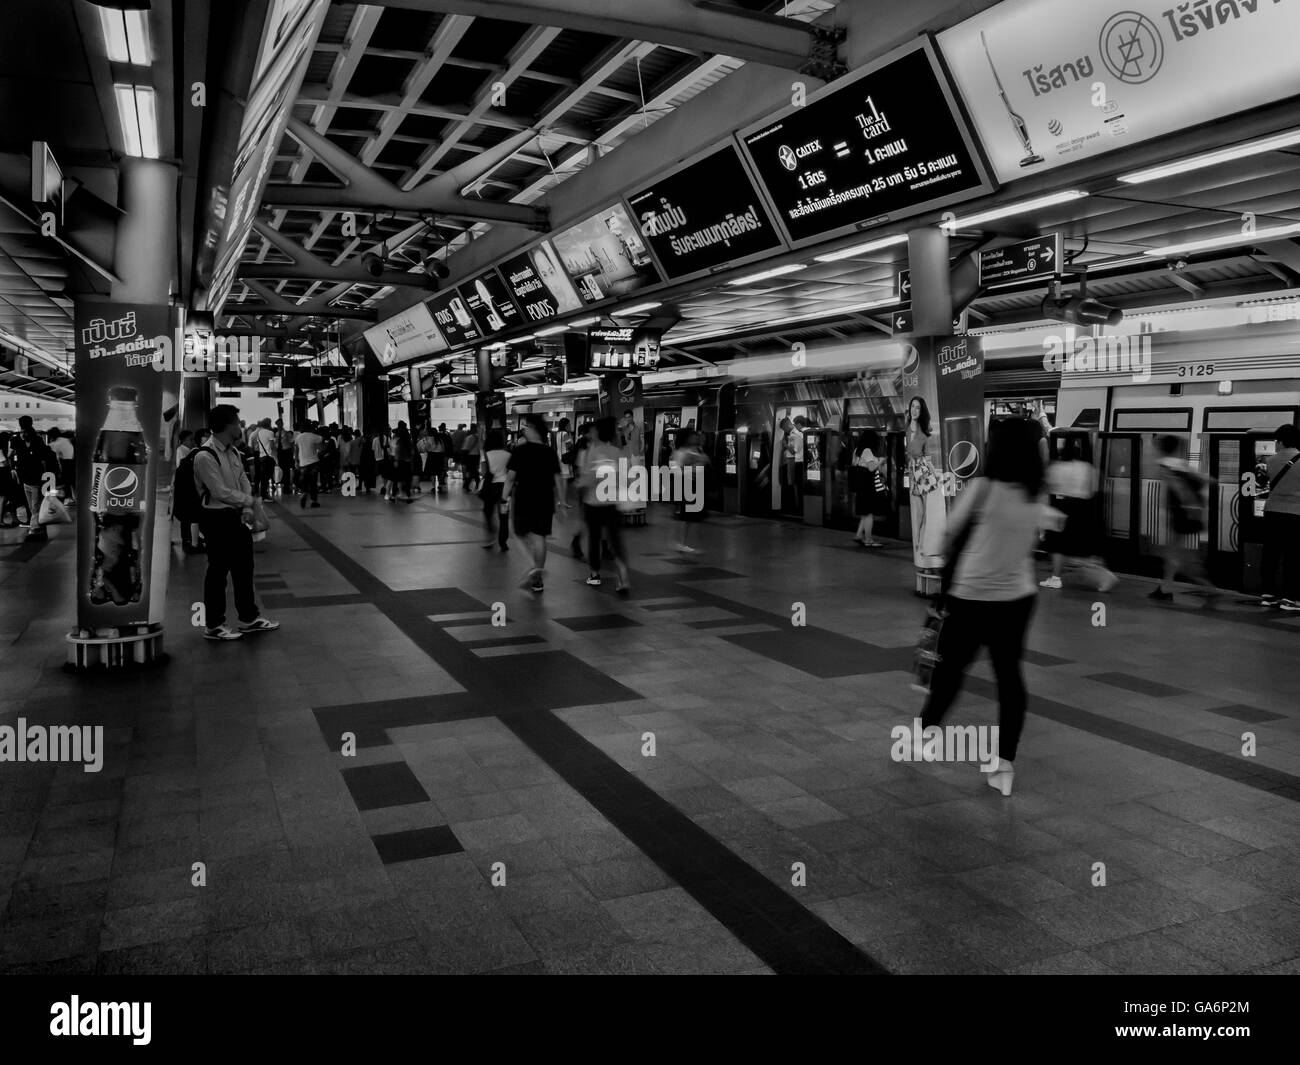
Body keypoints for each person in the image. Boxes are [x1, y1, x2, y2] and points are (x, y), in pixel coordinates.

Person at [917, 418, 1048, 798]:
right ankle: (1003, 764)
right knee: (1010, 679)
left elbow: (948, 532)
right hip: (1018, 598)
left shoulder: (983, 488)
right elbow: (1037, 536)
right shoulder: (1035, 492)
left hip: (971, 596)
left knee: (951, 671)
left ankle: (924, 734)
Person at [191, 405, 279, 641]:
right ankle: (214, 625)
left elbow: (243, 481)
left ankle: (249, 618)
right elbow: (219, 491)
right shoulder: (204, 456)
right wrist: (248, 500)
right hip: (215, 518)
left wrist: (247, 505)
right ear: (226, 425)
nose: (240, 425)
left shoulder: (233, 453)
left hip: (235, 517)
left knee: (244, 568)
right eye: (237, 422)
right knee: (218, 570)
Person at [1039, 437, 1118, 592]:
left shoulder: (1057, 467)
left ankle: (1056, 578)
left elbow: (1049, 487)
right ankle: (1103, 575)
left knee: (1057, 544)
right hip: (1083, 508)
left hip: (1062, 506)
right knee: (1080, 546)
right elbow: (1093, 490)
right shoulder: (1087, 467)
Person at [1150, 435, 1220, 605]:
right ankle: (1166, 589)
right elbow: (1209, 480)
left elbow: (1178, 488)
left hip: (1180, 512)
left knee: (1174, 553)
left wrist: (1189, 505)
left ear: (1162, 447)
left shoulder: (1164, 465)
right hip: (1188, 512)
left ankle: (1207, 587)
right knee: (1176, 553)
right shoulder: (1182, 464)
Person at [503, 414, 569, 593]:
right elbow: (558, 478)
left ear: (533, 430)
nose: (524, 430)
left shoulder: (520, 450)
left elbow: (510, 478)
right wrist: (562, 503)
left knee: (517, 534)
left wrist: (504, 498)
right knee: (539, 537)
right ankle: (537, 580)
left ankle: (533, 566)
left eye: (526, 427)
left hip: (525, 498)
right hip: (545, 499)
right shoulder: (549, 452)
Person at [577, 417, 631, 593]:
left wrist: (578, 484)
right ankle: (623, 576)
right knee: (615, 540)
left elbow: (589, 478)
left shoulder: (594, 452)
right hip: (611, 503)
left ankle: (594, 574)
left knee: (594, 538)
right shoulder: (618, 452)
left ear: (599, 432)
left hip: (593, 503)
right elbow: (626, 478)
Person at [1260, 423, 1300, 611]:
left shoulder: (1271, 461)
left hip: (1272, 512)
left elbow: (1265, 482)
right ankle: (1290, 599)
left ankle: (1268, 595)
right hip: (1295, 514)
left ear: (1282, 441)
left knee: (1271, 554)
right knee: (1293, 556)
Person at [12, 416, 56, 542]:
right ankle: (41, 531)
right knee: (33, 508)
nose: (22, 434)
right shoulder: (20, 442)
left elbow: (43, 460)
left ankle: (34, 531)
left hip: (36, 479)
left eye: (24, 431)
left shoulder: (36, 441)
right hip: (28, 479)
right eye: (21, 431)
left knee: (35, 507)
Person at [671, 429, 710, 554]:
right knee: (686, 515)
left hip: (696, 483)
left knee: (693, 516)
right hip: (687, 485)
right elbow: (677, 469)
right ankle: (681, 542)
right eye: (693, 436)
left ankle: (687, 542)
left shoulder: (696, 450)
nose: (696, 438)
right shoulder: (682, 452)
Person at [850, 430, 888, 547]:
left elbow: (853, 464)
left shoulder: (857, 450)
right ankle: (868, 539)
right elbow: (871, 468)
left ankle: (858, 535)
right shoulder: (867, 450)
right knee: (869, 513)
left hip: (860, 484)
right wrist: (881, 461)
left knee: (864, 512)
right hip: (867, 484)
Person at [174, 429, 207, 554]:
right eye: (190, 439)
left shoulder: (188, 452)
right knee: (190, 517)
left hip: (188, 488)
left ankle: (191, 539)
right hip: (188, 488)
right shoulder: (182, 451)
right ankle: (189, 540)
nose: (192, 442)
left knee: (190, 517)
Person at [479, 428, 511, 552]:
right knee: (504, 515)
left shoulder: (486, 454)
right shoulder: (508, 454)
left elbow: (483, 471)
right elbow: (511, 473)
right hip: (505, 488)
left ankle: (491, 534)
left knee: (488, 512)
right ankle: (503, 542)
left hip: (490, 488)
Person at [295, 420, 323, 509]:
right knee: (313, 483)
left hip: (303, 463)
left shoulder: (298, 437)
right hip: (314, 462)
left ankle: (304, 492)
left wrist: (296, 461)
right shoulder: (315, 437)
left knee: (304, 481)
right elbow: (321, 447)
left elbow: (296, 450)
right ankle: (313, 501)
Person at [248, 418, 277, 501]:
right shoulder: (270, 432)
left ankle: (262, 493)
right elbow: (272, 446)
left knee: (263, 476)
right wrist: (276, 457)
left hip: (261, 456)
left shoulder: (259, 433)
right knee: (267, 476)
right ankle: (264, 495)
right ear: (269, 424)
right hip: (269, 456)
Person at [48, 428, 75, 504]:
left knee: (62, 484)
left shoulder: (56, 443)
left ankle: (64, 499)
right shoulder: (66, 440)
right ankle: (71, 498)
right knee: (70, 483)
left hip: (64, 464)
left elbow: (53, 454)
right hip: (72, 463)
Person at [390, 424, 414, 503]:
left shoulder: (399, 442)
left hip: (400, 463)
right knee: (407, 481)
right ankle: (408, 496)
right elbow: (412, 452)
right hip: (407, 463)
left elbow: (397, 452)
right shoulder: (408, 441)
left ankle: (393, 496)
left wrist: (396, 461)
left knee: (396, 480)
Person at [463, 423, 482, 492]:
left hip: (470, 456)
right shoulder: (479, 438)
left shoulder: (469, 438)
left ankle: (468, 484)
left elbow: (465, 448)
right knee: (473, 470)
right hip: (477, 456)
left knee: (472, 470)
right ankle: (477, 483)